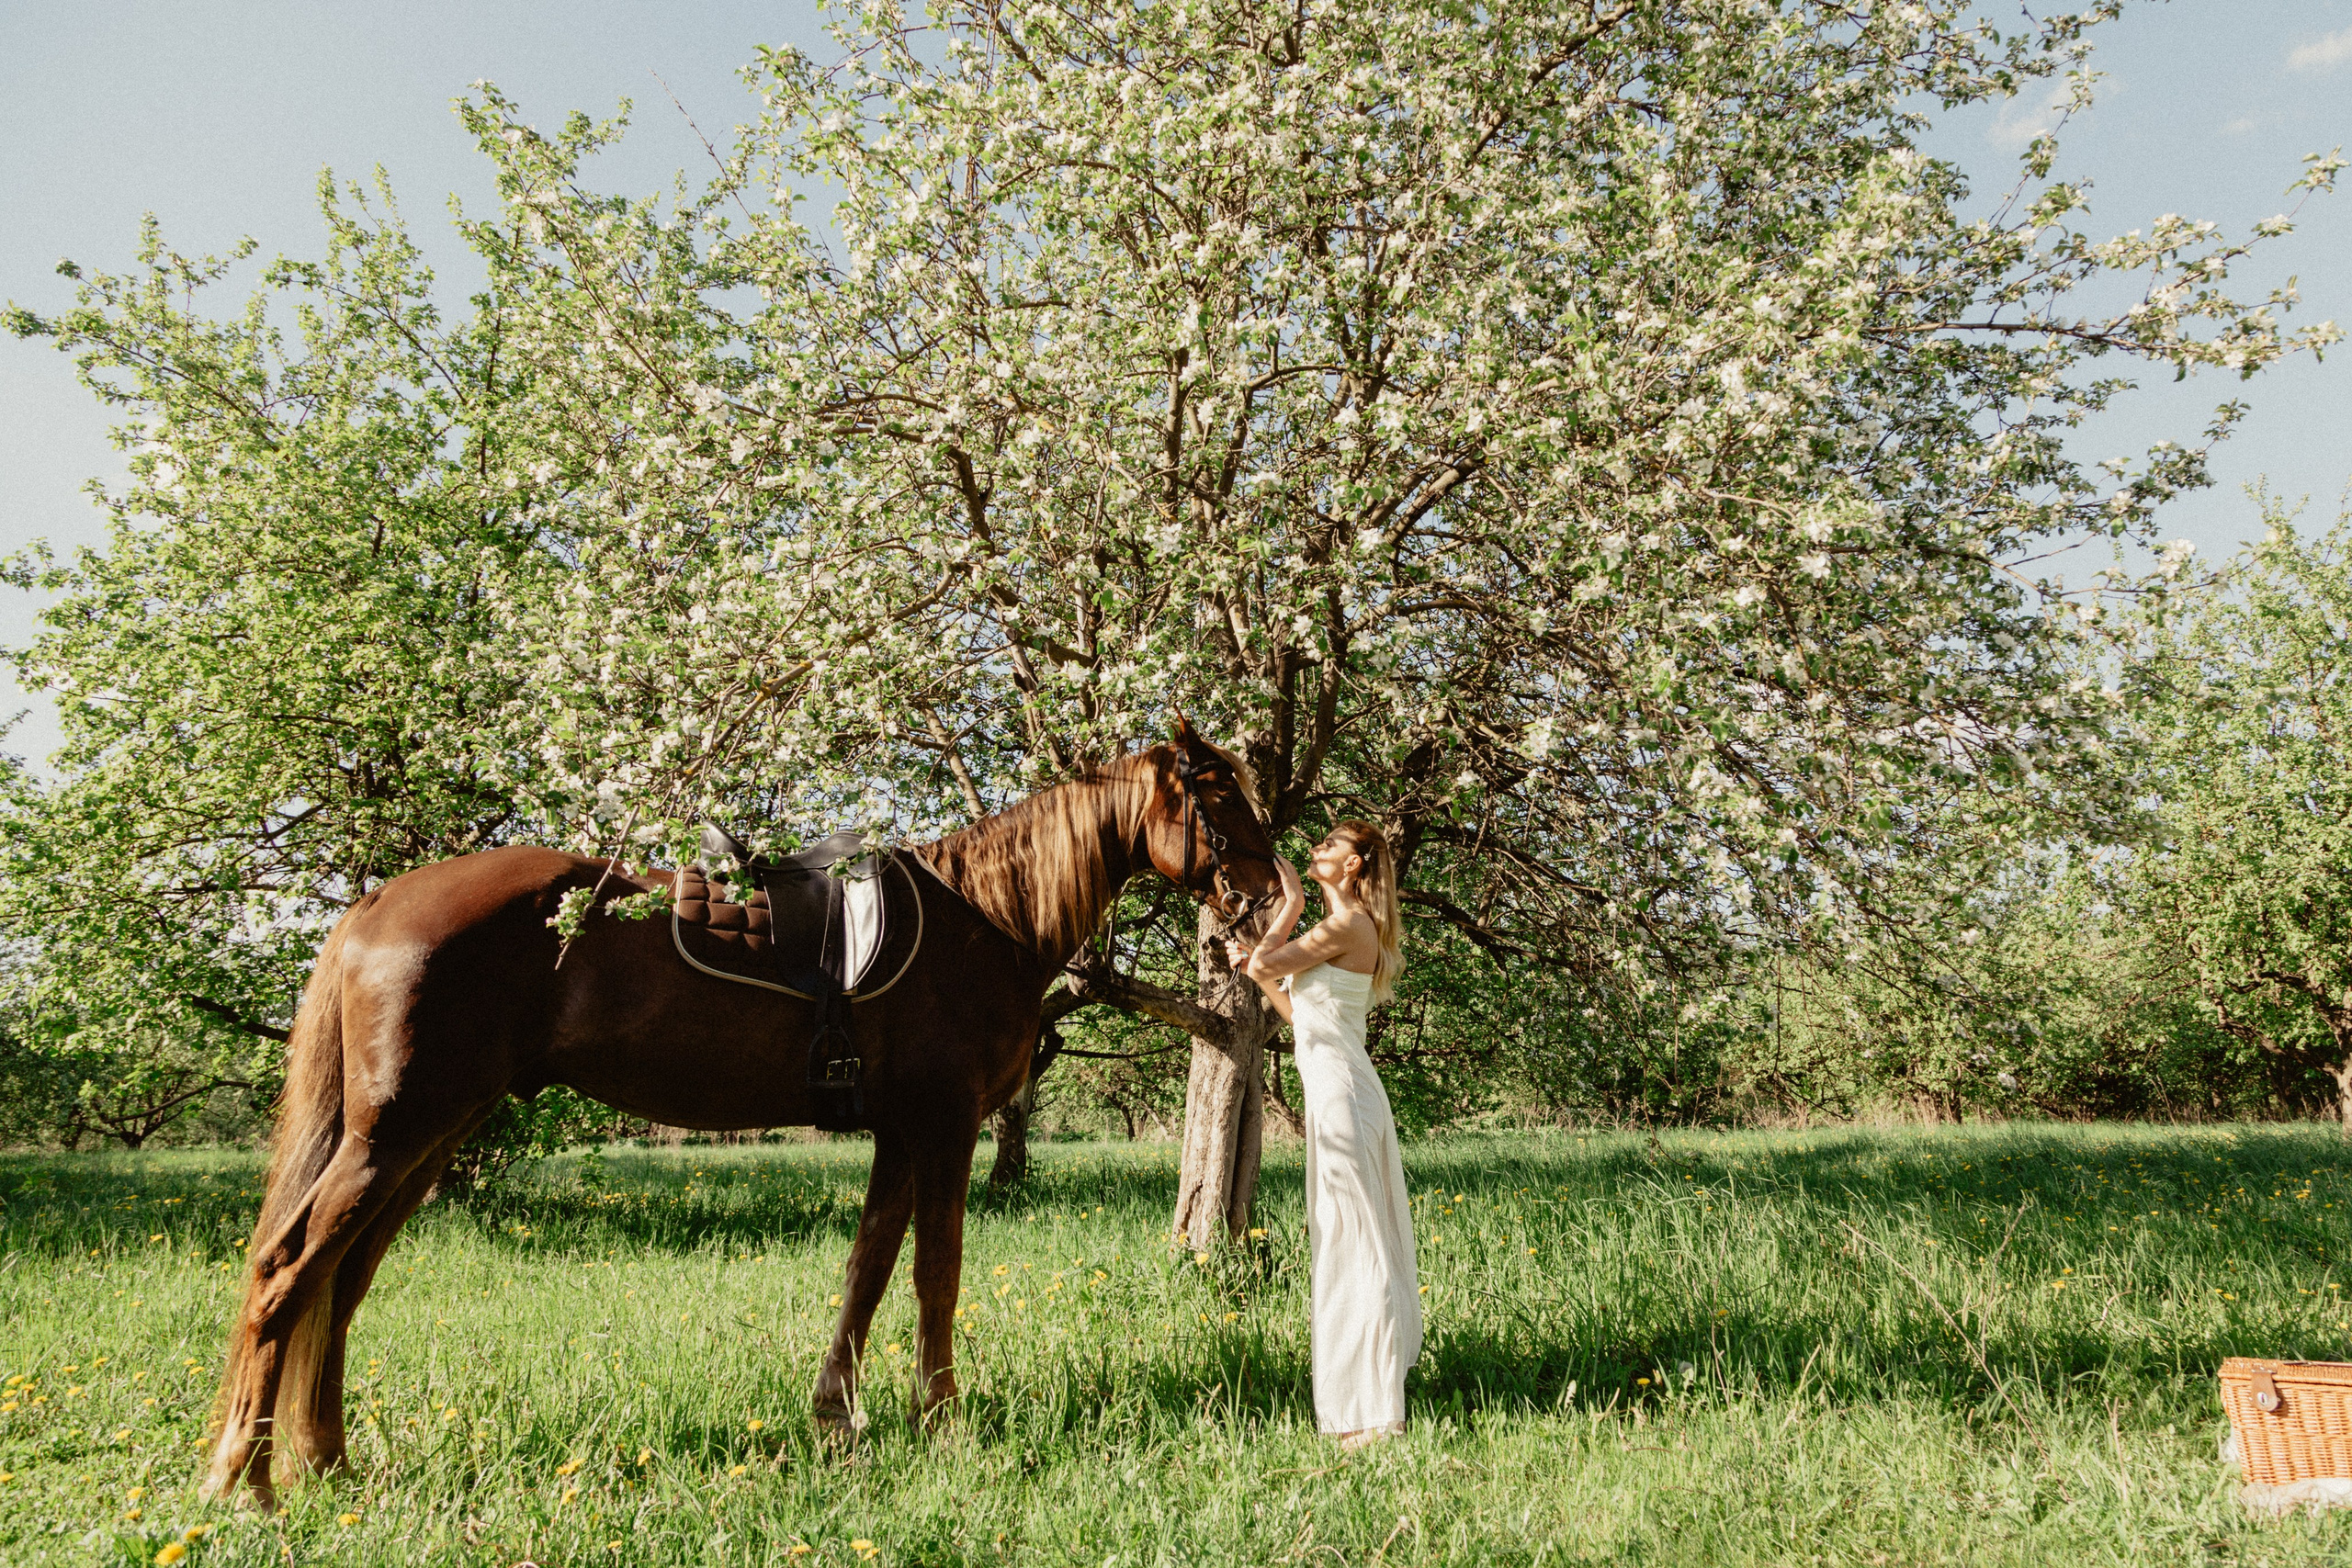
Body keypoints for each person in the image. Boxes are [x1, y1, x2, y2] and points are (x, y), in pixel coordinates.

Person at [1225, 820, 1419, 1450]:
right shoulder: (1349, 930)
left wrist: (1292, 907)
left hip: (1344, 1097)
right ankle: (1366, 1402)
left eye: (1331, 844)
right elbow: (1299, 1012)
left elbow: (1265, 957)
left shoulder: (1346, 924)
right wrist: (1263, 975)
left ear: (1356, 863)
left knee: (1354, 1241)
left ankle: (1373, 1411)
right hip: (1338, 1092)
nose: (1317, 849)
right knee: (1346, 1236)